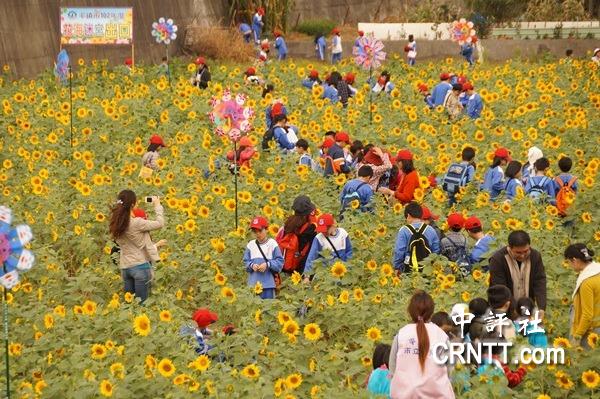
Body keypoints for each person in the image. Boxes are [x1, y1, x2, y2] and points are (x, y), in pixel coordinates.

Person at [388, 291, 455, 399]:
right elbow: (450, 371)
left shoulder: (401, 334)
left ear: (410, 311)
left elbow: (392, 370)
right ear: (432, 311)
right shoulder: (441, 336)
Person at [109, 190, 164, 303]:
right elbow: (160, 223)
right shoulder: (137, 223)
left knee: (129, 305)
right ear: (132, 205)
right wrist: (157, 205)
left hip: (125, 268)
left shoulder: (116, 223)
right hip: (140, 267)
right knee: (142, 305)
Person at [489, 230, 547, 319]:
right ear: (510, 247)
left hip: (527, 309)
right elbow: (501, 288)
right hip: (503, 309)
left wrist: (541, 307)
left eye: (526, 251)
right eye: (518, 252)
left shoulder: (535, 256)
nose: (523, 255)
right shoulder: (498, 259)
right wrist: (516, 311)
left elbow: (539, 282)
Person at [564, 243, 600, 347]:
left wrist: (577, 336)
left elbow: (587, 315)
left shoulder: (586, 282)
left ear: (574, 260)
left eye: (569, 262)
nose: (570, 265)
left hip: (591, 333)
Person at [392, 202, 440, 274]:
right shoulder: (431, 230)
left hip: (409, 269)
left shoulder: (404, 230)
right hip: (427, 268)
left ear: (408, 216)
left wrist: (397, 267)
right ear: (421, 215)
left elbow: (399, 251)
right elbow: (436, 251)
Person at [243, 216, 284, 299]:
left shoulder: (272, 244)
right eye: (255, 231)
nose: (258, 234)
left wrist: (268, 264)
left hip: (268, 285)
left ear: (267, 230)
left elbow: (280, 262)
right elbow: (245, 262)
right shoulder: (250, 245)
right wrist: (251, 265)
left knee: (268, 309)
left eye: (260, 231)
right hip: (253, 285)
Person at [303, 213, 352, 281]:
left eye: (325, 229)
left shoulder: (343, 234)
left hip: (341, 271)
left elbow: (349, 251)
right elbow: (311, 257)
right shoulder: (319, 238)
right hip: (325, 274)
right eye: (321, 230)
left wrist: (348, 266)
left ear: (332, 226)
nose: (323, 232)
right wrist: (306, 277)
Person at [276, 196, 318, 275]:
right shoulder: (310, 228)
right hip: (301, 267)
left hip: (286, 264)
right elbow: (312, 250)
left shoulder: (288, 223)